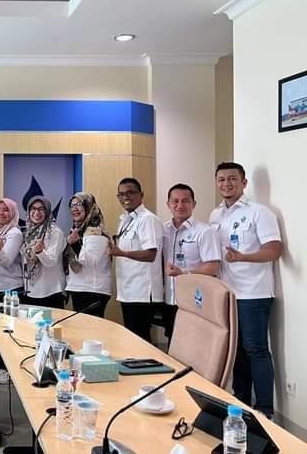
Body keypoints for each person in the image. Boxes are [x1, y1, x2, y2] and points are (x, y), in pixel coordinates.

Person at [210, 162, 282, 418]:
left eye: (232, 178)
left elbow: (274, 250)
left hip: (254, 293)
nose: (226, 184)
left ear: (244, 183)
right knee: (237, 351)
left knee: (256, 349)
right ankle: (240, 404)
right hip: (227, 294)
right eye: (221, 179)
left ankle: (264, 411)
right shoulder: (215, 215)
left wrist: (243, 257)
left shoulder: (259, 212)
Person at [161, 183, 220, 342]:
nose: (180, 205)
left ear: (194, 204)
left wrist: (185, 273)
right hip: (170, 300)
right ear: (168, 204)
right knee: (172, 342)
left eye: (185, 201)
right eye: (175, 201)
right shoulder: (163, 230)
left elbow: (213, 267)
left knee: (194, 344)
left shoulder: (204, 231)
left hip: (195, 301)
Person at [109, 177, 163, 343]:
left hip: (142, 292)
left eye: (130, 192)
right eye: (121, 194)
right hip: (128, 290)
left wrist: (122, 253)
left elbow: (151, 254)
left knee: (140, 339)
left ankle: (147, 361)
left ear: (141, 195)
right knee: (133, 338)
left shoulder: (147, 219)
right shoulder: (126, 219)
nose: (125, 197)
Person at [64, 192, 112, 317]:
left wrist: (75, 244)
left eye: (79, 204)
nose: (74, 209)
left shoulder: (96, 232)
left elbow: (92, 261)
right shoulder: (79, 230)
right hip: (81, 288)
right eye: (72, 205)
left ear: (89, 206)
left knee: (90, 328)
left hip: (91, 290)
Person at [20, 196, 66, 309]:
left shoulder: (55, 232)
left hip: (50, 291)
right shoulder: (28, 233)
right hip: (31, 291)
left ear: (48, 211)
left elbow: (51, 261)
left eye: (41, 209)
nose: (37, 212)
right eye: (33, 209)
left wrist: (40, 252)